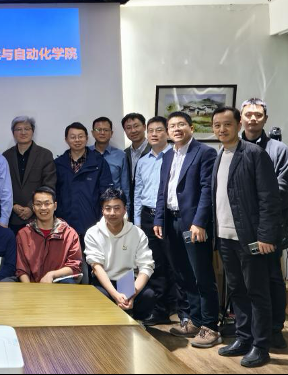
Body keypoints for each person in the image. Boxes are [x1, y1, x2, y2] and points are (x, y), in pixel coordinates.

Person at [212, 107, 281, 368]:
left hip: (250, 238)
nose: (221, 129)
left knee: (257, 292)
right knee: (237, 290)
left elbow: (269, 198)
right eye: (217, 125)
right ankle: (243, 337)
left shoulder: (254, 154)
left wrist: (265, 236)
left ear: (238, 124)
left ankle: (261, 346)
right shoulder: (220, 155)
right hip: (225, 236)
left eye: (227, 124)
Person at [154, 111, 221, 349]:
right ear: (167, 132)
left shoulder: (205, 152)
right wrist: (159, 219)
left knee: (202, 275)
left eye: (181, 124)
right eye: (172, 126)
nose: (176, 129)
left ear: (191, 128)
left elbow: (207, 190)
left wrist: (200, 222)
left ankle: (210, 326)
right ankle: (195, 320)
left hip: (193, 223)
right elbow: (163, 190)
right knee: (183, 275)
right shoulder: (167, 156)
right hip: (171, 221)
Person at [240, 97, 288, 349]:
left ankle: (274, 328)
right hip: (240, 226)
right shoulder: (233, 147)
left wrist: (260, 213)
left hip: (270, 224)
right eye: (248, 114)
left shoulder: (278, 149)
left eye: (258, 115)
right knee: (243, 278)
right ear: (240, 118)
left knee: (273, 277)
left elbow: (285, 188)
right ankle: (248, 329)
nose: (253, 118)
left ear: (265, 119)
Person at [84, 188, 156, 320]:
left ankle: (137, 321)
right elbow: (96, 267)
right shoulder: (93, 233)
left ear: (125, 209)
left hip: (128, 281)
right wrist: (115, 295)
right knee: (97, 295)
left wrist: (132, 294)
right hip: (105, 280)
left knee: (148, 295)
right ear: (102, 210)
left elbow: (146, 266)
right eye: (108, 208)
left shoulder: (137, 233)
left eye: (117, 208)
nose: (112, 213)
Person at [132, 116, 174, 325]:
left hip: (169, 215)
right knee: (154, 264)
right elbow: (138, 193)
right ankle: (159, 310)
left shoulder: (175, 156)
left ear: (167, 132)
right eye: (151, 131)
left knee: (174, 263)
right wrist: (137, 223)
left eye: (159, 130)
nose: (154, 134)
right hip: (148, 217)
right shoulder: (143, 161)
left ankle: (179, 310)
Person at [54, 123, 113, 241]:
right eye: (73, 137)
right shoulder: (58, 164)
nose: (77, 140)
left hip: (92, 223)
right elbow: (54, 194)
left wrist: (103, 220)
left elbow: (106, 194)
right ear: (66, 140)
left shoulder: (99, 163)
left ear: (86, 138)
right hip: (64, 223)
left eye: (80, 136)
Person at [15, 187, 82, 284]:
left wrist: (52, 274)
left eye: (47, 203)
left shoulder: (69, 234)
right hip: (31, 286)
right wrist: (29, 289)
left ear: (55, 206)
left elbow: (74, 266)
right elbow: (21, 268)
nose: (43, 208)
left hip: (59, 286)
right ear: (33, 207)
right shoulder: (23, 234)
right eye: (38, 204)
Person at [2, 116, 57, 233]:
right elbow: (2, 185)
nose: (23, 132)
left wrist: (31, 207)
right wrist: (13, 205)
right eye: (18, 129)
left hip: (38, 216)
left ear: (33, 131)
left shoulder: (45, 155)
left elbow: (49, 185)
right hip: (12, 217)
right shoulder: (5, 156)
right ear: (13, 133)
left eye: (27, 129)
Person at [92, 117, 131, 204]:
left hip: (113, 205)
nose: (102, 133)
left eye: (106, 130)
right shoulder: (86, 153)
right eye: (98, 129)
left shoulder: (121, 155)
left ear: (111, 133)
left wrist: (126, 208)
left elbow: (125, 187)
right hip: (90, 204)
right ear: (93, 133)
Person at [122, 113, 150, 216]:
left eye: (136, 126)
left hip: (150, 207)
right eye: (128, 128)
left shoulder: (155, 150)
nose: (133, 130)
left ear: (144, 127)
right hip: (131, 207)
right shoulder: (124, 154)